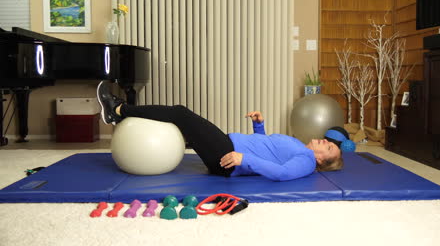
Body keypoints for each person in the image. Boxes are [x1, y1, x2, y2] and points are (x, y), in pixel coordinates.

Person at [97, 81, 344, 181]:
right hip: (229, 149)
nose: (325, 141)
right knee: (182, 120)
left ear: (322, 159)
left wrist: (242, 159)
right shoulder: (300, 149)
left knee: (180, 114)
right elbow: (266, 149)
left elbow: (279, 172)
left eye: (329, 147)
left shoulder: (306, 162)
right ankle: (121, 111)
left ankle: (118, 111)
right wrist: (259, 126)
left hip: (228, 158)